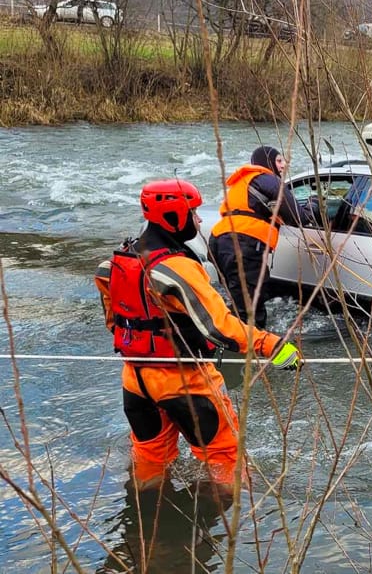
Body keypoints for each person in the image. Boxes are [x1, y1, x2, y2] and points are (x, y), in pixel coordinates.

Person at [95, 179, 302, 492]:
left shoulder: (113, 264)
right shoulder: (177, 268)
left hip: (135, 382)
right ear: (174, 216)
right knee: (227, 460)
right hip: (185, 381)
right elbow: (220, 326)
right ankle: (232, 519)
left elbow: (115, 322)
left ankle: (146, 515)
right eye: (192, 213)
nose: (199, 220)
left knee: (149, 459)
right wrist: (274, 346)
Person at [208, 145, 310, 328]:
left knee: (241, 305)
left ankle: (230, 334)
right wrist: (314, 205)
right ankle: (253, 345)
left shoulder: (246, 181)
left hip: (219, 243)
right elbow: (299, 218)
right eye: (279, 160)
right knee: (252, 314)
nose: (283, 165)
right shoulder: (269, 180)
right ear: (267, 162)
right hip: (242, 247)